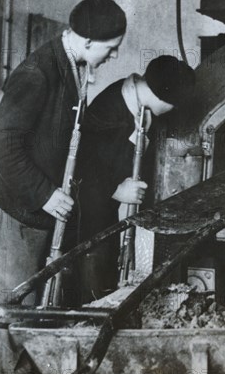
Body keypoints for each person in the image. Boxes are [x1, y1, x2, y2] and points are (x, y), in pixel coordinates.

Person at [0, 0, 126, 374]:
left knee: (29, 308)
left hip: (34, 210)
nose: (113, 57)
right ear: (89, 40)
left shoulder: (70, 66)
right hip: (12, 209)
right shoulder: (39, 73)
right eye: (111, 49)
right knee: (10, 307)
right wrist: (45, 193)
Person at [73, 55, 195, 304]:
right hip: (87, 214)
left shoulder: (140, 105)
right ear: (164, 99)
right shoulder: (111, 109)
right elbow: (82, 164)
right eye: (175, 106)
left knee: (107, 273)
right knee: (94, 278)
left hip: (106, 213)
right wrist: (116, 190)